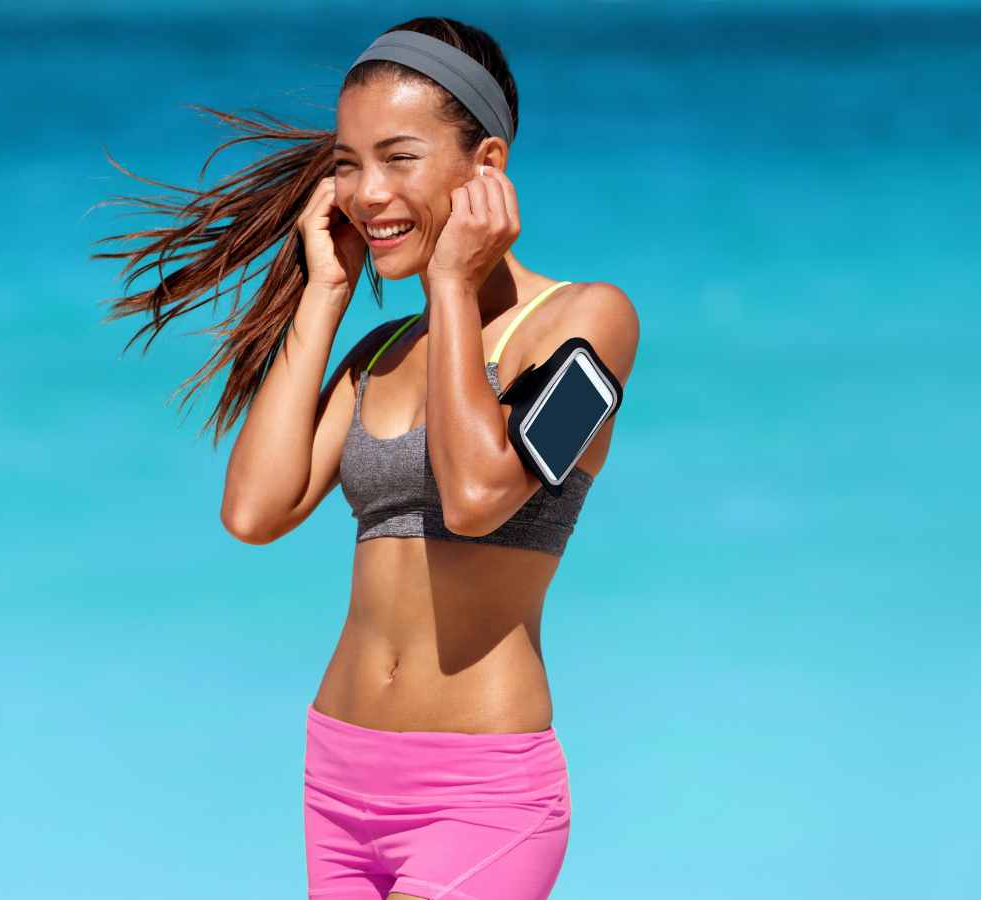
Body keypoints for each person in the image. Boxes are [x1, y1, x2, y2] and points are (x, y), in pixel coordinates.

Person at [94, 16, 637, 900]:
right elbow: (253, 512)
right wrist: (326, 295)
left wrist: (455, 284)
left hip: (481, 794)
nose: (366, 192)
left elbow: (473, 494)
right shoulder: (379, 353)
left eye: (399, 158)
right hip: (340, 781)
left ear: (485, 167)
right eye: (348, 163)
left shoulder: (592, 323)